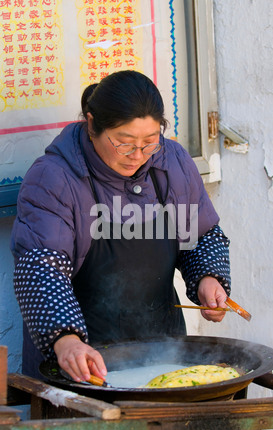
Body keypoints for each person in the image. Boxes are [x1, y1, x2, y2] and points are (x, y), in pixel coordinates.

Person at [11, 70, 231, 383]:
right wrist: (66, 340)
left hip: (162, 352)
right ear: (91, 125)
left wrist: (208, 277)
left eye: (149, 143)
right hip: (81, 362)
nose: (137, 156)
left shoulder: (173, 163)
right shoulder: (54, 178)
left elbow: (200, 234)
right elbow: (39, 268)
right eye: (124, 143)